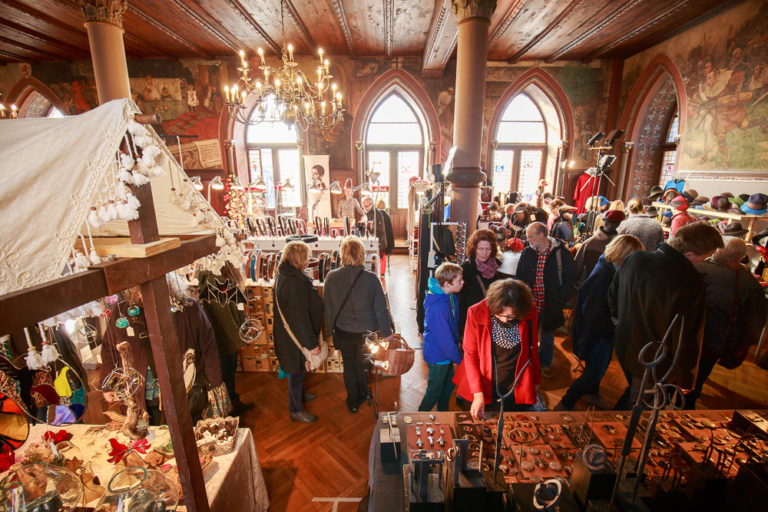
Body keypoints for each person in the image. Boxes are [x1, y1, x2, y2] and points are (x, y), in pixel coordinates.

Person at [609, 222, 724, 409]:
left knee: (635, 394)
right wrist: (687, 378)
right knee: (638, 408)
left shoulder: (635, 258)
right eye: (704, 258)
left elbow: (612, 295)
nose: (702, 263)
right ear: (690, 255)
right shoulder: (690, 282)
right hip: (654, 360)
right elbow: (688, 337)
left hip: (625, 344)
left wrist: (620, 324)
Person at [555, 235, 643, 411]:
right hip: (598, 333)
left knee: (596, 368)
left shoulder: (607, 266)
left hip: (599, 331)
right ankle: (565, 403)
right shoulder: (605, 274)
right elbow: (592, 311)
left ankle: (592, 394)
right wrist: (611, 328)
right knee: (595, 371)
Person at [685, 237, 768, 408]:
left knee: (678, 369)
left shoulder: (696, 268)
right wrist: (742, 342)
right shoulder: (749, 283)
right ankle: (686, 407)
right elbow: (754, 321)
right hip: (715, 340)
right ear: (739, 258)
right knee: (699, 376)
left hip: (686, 333)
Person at [453, 279, 540, 419]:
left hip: (515, 383)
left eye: (512, 316)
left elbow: (532, 349)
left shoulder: (529, 310)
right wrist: (477, 393)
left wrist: (536, 380)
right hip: (482, 382)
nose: (506, 320)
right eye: (502, 314)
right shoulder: (475, 312)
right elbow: (470, 355)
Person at [324, 236, 392, 413]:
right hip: (367, 332)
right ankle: (363, 393)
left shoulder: (331, 277)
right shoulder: (372, 279)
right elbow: (380, 309)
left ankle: (352, 400)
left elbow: (329, 308)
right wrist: (386, 332)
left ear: (342, 254)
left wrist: (330, 330)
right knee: (364, 363)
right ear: (362, 254)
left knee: (348, 364)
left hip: (343, 330)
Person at [516, 222, 575, 378]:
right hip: (531, 304)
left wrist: (559, 299)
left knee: (548, 335)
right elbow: (520, 276)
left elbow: (570, 280)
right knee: (527, 334)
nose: (527, 240)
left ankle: (544, 363)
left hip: (550, 304)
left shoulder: (561, 253)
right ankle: (527, 362)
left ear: (542, 235)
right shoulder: (527, 252)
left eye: (530, 236)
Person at [273, 241, 324, 423]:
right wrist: (312, 344)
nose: (308, 260)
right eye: (306, 256)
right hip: (293, 339)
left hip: (288, 337)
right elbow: (300, 318)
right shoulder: (293, 282)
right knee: (295, 373)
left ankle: (300, 396)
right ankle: (296, 410)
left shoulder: (284, 275)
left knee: (298, 370)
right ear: (298, 258)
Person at [419, 262, 464, 411]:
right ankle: (418, 418)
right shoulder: (438, 307)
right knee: (434, 392)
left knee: (449, 385)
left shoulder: (449, 295)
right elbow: (444, 341)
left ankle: (443, 413)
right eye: (459, 280)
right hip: (439, 356)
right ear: (447, 283)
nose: (463, 282)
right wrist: (459, 359)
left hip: (446, 354)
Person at [458, 229, 502, 338]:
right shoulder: (466, 268)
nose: (484, 253)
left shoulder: (497, 267)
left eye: (488, 249)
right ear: (474, 248)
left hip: (491, 321)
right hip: (472, 321)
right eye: (481, 249)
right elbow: (461, 301)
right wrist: (462, 330)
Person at [573, 209, 625, 284]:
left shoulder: (620, 245)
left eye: (614, 223)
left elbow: (576, 269)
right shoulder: (589, 243)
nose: (610, 225)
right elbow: (577, 268)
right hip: (591, 285)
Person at [361, 196, 394, 276]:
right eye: (363, 206)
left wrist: (367, 227)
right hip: (375, 239)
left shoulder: (377, 214)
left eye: (366, 206)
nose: (365, 208)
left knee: (379, 257)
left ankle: (381, 274)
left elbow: (379, 230)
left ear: (372, 204)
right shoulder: (368, 213)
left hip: (379, 240)